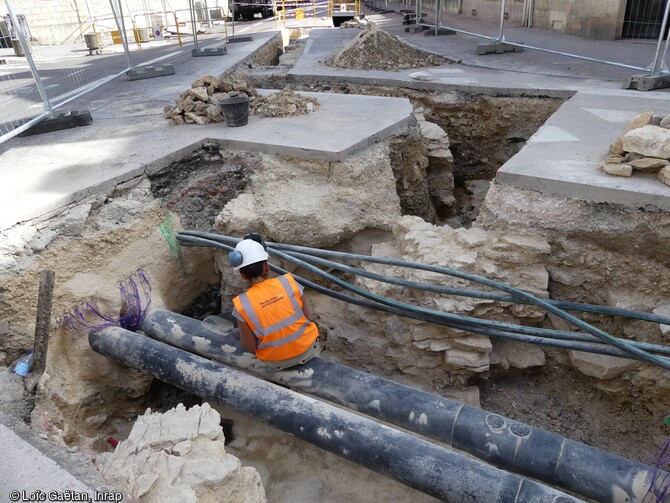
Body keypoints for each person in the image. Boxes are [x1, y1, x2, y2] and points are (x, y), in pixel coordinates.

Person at [229, 234, 320, 370]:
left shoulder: (241, 305)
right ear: (266, 266)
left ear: (242, 274)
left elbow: (250, 346)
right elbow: (307, 317)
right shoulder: (288, 282)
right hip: (308, 350)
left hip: (276, 362)